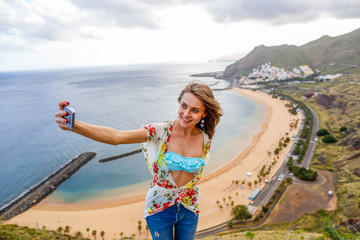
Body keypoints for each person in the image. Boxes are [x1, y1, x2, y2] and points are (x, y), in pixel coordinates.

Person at [55, 81, 223, 239]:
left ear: (204, 113)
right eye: (183, 106)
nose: (186, 114)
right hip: (159, 208)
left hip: (190, 207)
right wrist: (74, 125)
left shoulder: (205, 138)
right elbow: (116, 137)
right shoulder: (159, 131)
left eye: (194, 110)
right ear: (179, 103)